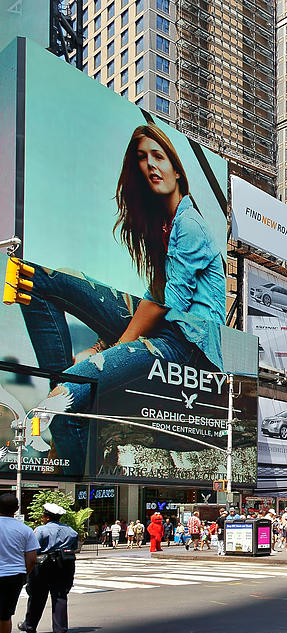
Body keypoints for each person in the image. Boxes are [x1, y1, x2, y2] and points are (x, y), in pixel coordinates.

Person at [16, 124, 227, 478]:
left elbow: (166, 301)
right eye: (142, 160)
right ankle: (65, 430)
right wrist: (107, 343)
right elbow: (153, 295)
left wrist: (112, 349)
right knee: (53, 276)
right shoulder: (165, 224)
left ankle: (44, 430)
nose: (151, 167)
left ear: (177, 168)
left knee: (86, 374)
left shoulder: (189, 225)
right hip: (165, 326)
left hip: (190, 346)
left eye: (158, 156)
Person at [19, 503, 78, 633]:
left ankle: (30, 625)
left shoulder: (41, 530)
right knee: (60, 597)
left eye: (43, 516)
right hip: (64, 565)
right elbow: (74, 547)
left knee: (37, 597)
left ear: (47, 518)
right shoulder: (71, 531)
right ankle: (60, 629)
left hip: (43, 566)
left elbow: (32, 548)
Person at [0, 494, 38, 633]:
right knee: (5, 615)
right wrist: (24, 575)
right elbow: (32, 559)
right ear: (16, 509)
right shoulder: (25, 530)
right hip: (14, 575)